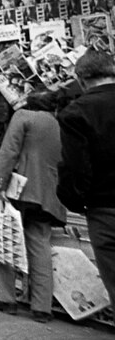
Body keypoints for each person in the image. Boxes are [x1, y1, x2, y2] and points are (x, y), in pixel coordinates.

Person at [0, 91, 67, 322]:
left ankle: (5, 298)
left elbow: (9, 152)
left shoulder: (23, 116)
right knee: (40, 247)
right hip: (47, 195)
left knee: (5, 239)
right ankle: (41, 307)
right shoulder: (58, 123)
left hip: (20, 191)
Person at [57, 49, 115, 307]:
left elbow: (76, 168)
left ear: (81, 80)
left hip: (106, 210)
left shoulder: (75, 113)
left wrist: (74, 202)